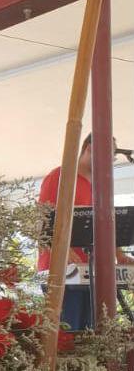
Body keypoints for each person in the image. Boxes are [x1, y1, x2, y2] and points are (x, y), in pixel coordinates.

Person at [38, 134, 130, 330]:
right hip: (61, 274)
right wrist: (65, 254)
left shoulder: (100, 186)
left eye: (111, 159)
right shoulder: (59, 177)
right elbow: (44, 224)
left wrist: (119, 254)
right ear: (89, 149)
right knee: (69, 335)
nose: (109, 164)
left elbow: (105, 226)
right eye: (107, 157)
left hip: (92, 272)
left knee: (93, 336)